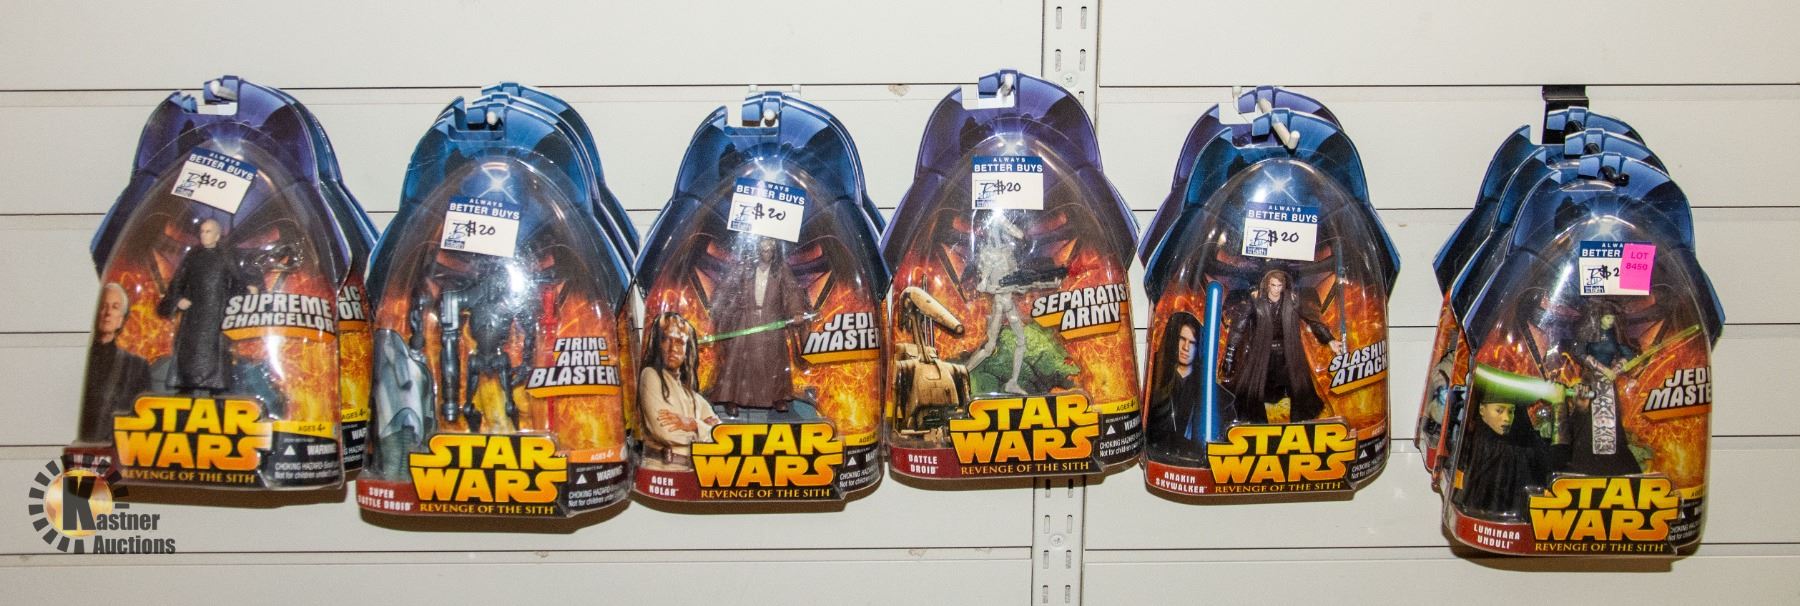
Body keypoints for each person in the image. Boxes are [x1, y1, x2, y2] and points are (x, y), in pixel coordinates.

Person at [1221, 269, 1345, 423]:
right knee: (1251, 393)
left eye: (1279, 286)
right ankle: (1254, 422)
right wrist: (1230, 356)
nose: (1276, 289)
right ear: (1267, 285)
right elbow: (1238, 329)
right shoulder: (1255, 301)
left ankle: (1301, 421)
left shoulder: (1292, 301)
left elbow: (1313, 320)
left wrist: (1330, 340)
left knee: (1299, 389)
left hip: (1288, 352)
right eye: (1273, 285)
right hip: (1261, 353)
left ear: (1283, 286)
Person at [707, 238, 810, 414]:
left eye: (769, 250)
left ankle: (777, 396)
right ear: (757, 250)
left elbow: (792, 290)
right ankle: (731, 398)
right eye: (763, 250)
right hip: (746, 318)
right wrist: (717, 305)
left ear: (774, 252)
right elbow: (728, 285)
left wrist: (797, 312)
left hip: (772, 319)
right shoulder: (745, 267)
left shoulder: (780, 269)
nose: (766, 254)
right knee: (738, 360)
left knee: (775, 360)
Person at [157, 218, 254, 393]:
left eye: (208, 231)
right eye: (202, 231)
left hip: (219, 317)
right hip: (193, 318)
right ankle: (186, 387)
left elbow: (237, 282)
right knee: (190, 355)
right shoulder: (192, 257)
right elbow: (178, 282)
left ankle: (217, 391)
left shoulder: (227, 257)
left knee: (217, 358)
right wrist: (178, 300)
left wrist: (248, 293)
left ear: (217, 235)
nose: (203, 235)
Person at [1566, 300, 1643, 476]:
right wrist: (1602, 368)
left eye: (1612, 318)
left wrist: (1616, 369)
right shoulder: (1588, 333)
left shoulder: (1614, 335)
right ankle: (1585, 461)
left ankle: (1613, 462)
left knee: (1611, 422)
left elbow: (1629, 354)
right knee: (1586, 421)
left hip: (1608, 384)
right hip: (1591, 380)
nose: (1610, 321)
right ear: (1600, 317)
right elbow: (1579, 352)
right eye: (1608, 318)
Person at [640, 313, 721, 471]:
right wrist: (704, 429)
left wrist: (692, 424)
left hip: (694, 470)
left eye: (680, 342)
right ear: (658, 343)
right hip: (662, 469)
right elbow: (666, 433)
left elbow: (721, 436)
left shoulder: (693, 396)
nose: (672, 348)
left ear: (687, 349)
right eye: (666, 339)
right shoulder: (650, 375)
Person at [77, 282, 152, 443]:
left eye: (115, 307)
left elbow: (145, 422)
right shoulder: (78, 359)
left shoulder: (137, 367)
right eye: (103, 306)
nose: (108, 313)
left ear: (121, 319)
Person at [1455, 400, 1553, 518]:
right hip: (1477, 513)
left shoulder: (1526, 448)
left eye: (1511, 411)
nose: (1506, 418)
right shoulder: (1476, 439)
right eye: (1499, 410)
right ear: (1482, 409)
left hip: (1508, 516)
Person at [1147, 312, 1208, 461]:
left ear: (1199, 347)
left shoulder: (1202, 388)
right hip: (1159, 451)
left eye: (1192, 343)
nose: (1185, 347)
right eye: (1182, 339)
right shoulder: (1160, 377)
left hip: (1190, 456)